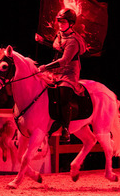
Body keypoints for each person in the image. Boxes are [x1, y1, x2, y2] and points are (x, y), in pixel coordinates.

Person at [35, 8, 87, 143]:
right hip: (56, 71)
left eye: (63, 22)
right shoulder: (59, 34)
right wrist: (42, 41)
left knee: (63, 94)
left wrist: (45, 67)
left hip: (69, 72)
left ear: (71, 23)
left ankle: (65, 129)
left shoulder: (74, 41)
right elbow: (57, 47)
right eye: (59, 21)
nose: (60, 24)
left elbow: (64, 60)